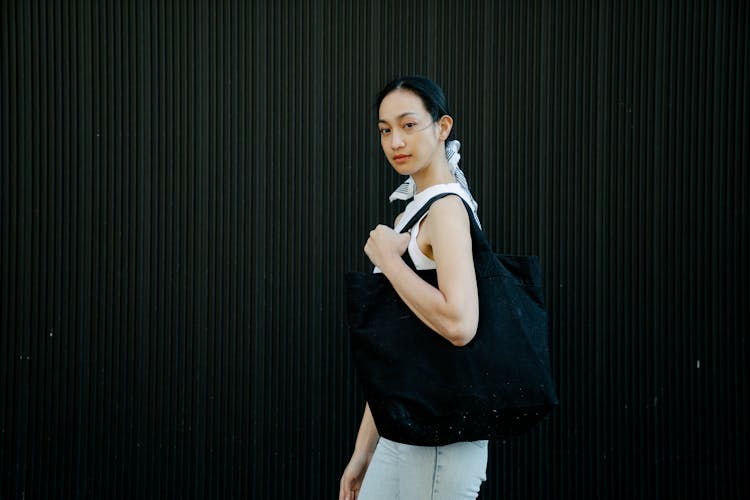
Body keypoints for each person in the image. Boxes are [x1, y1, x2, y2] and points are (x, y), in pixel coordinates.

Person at [339, 76, 488, 500]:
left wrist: (387, 260)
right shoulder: (414, 213)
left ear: (442, 128)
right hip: (404, 425)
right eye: (385, 130)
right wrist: (362, 453)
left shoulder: (446, 209)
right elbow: (396, 349)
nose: (394, 141)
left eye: (408, 125)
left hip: (440, 433)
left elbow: (460, 324)